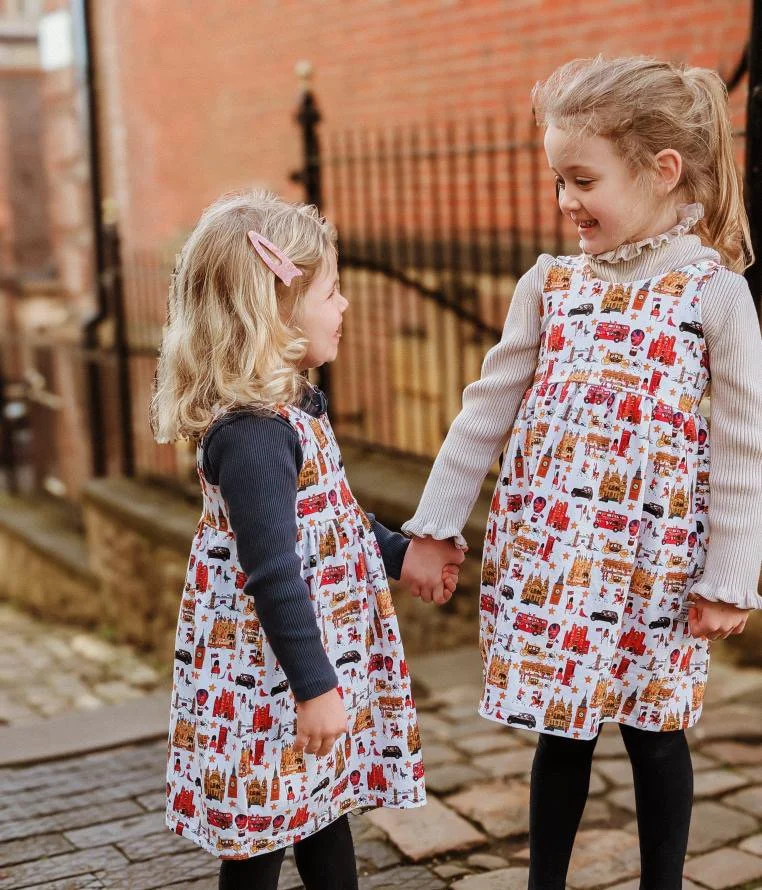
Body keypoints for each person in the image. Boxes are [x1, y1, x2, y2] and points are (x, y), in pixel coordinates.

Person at [401, 56, 762, 889]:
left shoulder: (714, 294)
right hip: (556, 560)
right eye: (558, 180)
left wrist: (731, 577)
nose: (565, 199)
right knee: (560, 735)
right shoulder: (550, 284)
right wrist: (434, 526)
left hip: (657, 568)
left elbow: (744, 444)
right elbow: (484, 410)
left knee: (655, 734)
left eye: (583, 180)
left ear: (662, 171)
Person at [151, 190, 464, 890]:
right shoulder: (254, 435)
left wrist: (400, 554)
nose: (344, 305)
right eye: (331, 292)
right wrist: (316, 686)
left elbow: (335, 520)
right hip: (270, 678)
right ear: (275, 311)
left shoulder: (293, 410)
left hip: (308, 660)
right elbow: (272, 572)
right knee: (261, 836)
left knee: (324, 808)